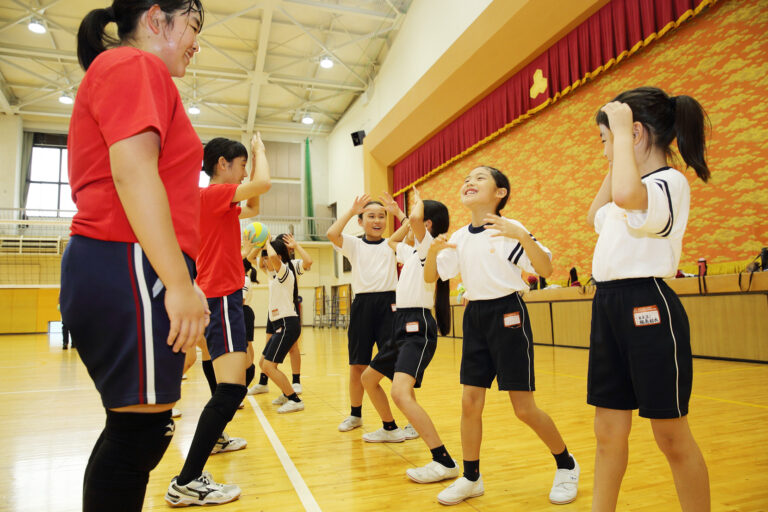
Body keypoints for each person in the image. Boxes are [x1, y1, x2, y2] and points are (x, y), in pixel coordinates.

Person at [60, 2, 207, 510]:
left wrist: (184, 277)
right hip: (128, 260)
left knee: (137, 430)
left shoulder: (128, 70)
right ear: (155, 19)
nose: (196, 42)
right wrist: (179, 285)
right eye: (192, 26)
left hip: (129, 262)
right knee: (138, 436)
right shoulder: (134, 64)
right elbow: (133, 173)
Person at [586, 86, 711, 512]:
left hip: (648, 307)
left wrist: (621, 138)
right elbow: (595, 215)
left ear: (635, 135)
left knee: (671, 435)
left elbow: (624, 196)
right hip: (608, 307)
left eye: (605, 141)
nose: (605, 152)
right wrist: (620, 145)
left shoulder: (668, 183)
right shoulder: (630, 188)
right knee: (607, 431)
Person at [424, 166, 579, 506]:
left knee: (523, 409)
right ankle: (471, 477)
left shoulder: (510, 230)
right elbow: (432, 277)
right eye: (467, 179)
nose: (469, 182)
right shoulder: (461, 237)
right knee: (469, 403)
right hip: (475, 317)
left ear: (500, 193)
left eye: (480, 178)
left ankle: (567, 464)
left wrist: (522, 236)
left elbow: (546, 269)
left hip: (509, 315)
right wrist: (433, 253)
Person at [165, 135, 270, 506]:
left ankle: (215, 441)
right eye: (240, 166)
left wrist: (252, 165)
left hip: (216, 296)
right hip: (222, 297)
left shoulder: (221, 203)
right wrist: (259, 152)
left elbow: (254, 204)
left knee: (223, 380)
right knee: (232, 389)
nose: (244, 173)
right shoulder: (209, 195)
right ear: (223, 164)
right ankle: (187, 480)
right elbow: (264, 185)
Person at [361, 187, 459, 482]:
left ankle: (443, 460)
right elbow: (391, 241)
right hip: (400, 323)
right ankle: (390, 429)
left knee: (400, 392)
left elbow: (416, 223)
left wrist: (412, 207)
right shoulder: (416, 248)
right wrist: (402, 217)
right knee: (369, 378)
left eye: (418, 220)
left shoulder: (437, 251)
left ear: (427, 225)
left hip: (418, 326)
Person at [326, 195, 406, 433]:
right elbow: (331, 233)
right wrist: (351, 211)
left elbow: (413, 231)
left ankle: (409, 417)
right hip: (362, 305)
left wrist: (398, 212)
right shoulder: (354, 244)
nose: (377, 220)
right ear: (361, 222)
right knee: (357, 364)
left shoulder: (392, 242)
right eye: (371, 216)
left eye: (381, 216)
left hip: (390, 305)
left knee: (395, 365)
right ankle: (355, 414)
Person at [248, 234, 310, 396]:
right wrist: (261, 245)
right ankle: (264, 381)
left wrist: (296, 246)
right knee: (268, 349)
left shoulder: (289, 266)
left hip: (287, 310)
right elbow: (252, 259)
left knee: (292, 346)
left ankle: (295, 382)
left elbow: (308, 262)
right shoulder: (269, 267)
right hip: (275, 311)